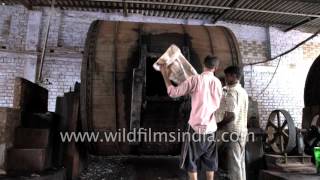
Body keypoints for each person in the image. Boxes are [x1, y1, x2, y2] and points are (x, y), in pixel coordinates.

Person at [159, 55, 222, 180]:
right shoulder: (218, 83)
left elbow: (173, 93)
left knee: (191, 161)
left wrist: (165, 74)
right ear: (215, 68)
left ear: (203, 65)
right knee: (210, 162)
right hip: (211, 129)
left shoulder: (195, 80)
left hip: (195, 128)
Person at [216, 66, 249, 180]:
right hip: (242, 131)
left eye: (227, 75)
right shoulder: (243, 91)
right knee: (240, 163)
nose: (225, 78)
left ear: (234, 76)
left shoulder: (232, 92)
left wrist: (217, 125)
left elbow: (231, 115)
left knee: (234, 165)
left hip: (232, 132)